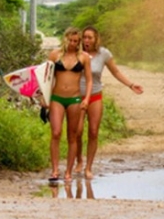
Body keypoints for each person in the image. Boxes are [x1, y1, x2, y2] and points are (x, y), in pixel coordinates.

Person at [75, 26, 143, 179]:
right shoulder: (76, 53)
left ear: (96, 39)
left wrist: (131, 85)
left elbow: (116, 71)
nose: (86, 40)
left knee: (93, 131)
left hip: (95, 95)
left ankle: (88, 167)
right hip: (77, 96)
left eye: (90, 37)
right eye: (84, 37)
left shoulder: (103, 54)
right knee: (77, 131)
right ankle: (78, 159)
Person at [47, 27, 92, 181]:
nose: (73, 43)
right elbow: (45, 77)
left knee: (72, 136)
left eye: (76, 41)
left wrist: (86, 99)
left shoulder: (84, 57)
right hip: (57, 97)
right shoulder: (55, 55)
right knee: (56, 132)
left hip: (74, 98)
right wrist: (43, 99)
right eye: (70, 40)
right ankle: (54, 170)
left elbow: (89, 79)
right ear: (65, 39)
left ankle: (68, 172)